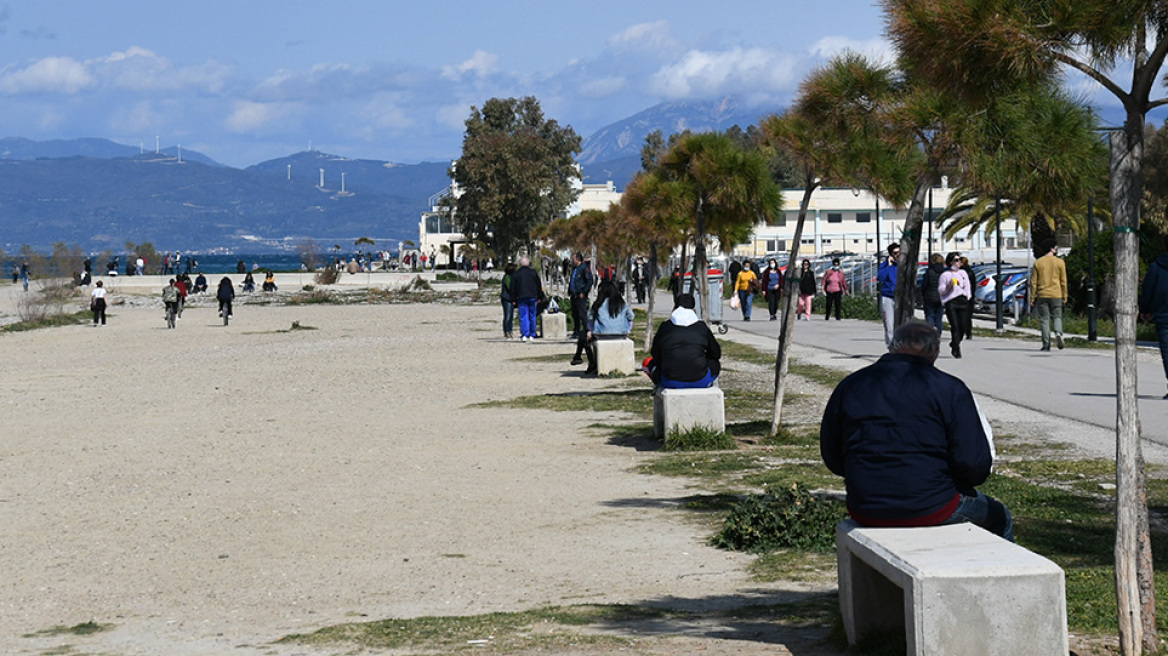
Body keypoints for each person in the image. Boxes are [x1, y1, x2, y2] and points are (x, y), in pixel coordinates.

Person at [820, 322, 1013, 541]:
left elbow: (832, 456)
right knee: (1000, 517)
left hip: (866, 505)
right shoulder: (949, 389)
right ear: (934, 353)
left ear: (892, 346)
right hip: (933, 505)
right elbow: (974, 465)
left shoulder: (852, 385)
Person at [645, 293, 722, 388]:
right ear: (694, 309)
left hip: (670, 381)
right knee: (715, 363)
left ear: (675, 308)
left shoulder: (665, 326)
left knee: (648, 363)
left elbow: (655, 353)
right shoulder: (701, 326)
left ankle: (659, 386)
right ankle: (710, 385)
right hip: (700, 380)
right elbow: (716, 353)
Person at [571, 280, 634, 375]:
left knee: (584, 335)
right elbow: (631, 317)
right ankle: (580, 358)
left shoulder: (598, 304)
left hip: (602, 334)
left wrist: (591, 330)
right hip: (621, 334)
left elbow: (589, 318)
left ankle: (591, 363)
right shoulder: (622, 303)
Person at [1141, 235, 1168, 399]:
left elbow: (1148, 290)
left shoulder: (1156, 267)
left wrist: (1145, 310)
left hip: (1163, 316)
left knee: (1167, 352)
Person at [1031, 240, 1068, 351]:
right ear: (1051, 248)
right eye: (1055, 247)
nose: (1056, 249)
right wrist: (1065, 296)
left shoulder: (1038, 263)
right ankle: (1058, 332)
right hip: (1057, 294)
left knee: (1044, 319)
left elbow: (1033, 282)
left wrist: (1032, 298)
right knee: (1057, 316)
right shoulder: (1060, 262)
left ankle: (1046, 344)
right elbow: (1063, 281)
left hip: (1042, 294)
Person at [939, 252, 973, 359]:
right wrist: (949, 287)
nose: (959, 262)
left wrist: (967, 296)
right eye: (957, 260)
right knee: (955, 325)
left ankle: (955, 342)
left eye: (960, 260)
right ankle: (956, 347)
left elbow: (968, 285)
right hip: (951, 302)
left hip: (962, 301)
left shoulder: (963, 273)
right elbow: (941, 290)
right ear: (951, 262)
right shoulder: (945, 275)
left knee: (963, 325)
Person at [511, 256, 543, 342]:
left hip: (522, 297)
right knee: (532, 315)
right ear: (528, 263)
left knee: (523, 316)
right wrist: (540, 296)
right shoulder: (533, 273)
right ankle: (532, 334)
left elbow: (513, 287)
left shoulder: (517, 274)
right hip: (533, 296)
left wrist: (513, 299)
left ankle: (525, 334)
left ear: (520, 264)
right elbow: (538, 285)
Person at [877, 243, 900, 346]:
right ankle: (891, 346)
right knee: (889, 324)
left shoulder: (903, 265)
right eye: (895, 253)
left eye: (900, 252)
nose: (898, 255)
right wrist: (889, 265)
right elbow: (881, 278)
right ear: (891, 254)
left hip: (901, 297)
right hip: (888, 296)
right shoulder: (886, 265)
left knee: (902, 324)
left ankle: (901, 346)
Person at [568, 252, 593, 339]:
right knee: (575, 314)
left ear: (578, 259)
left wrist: (584, 292)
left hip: (580, 295)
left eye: (573, 258)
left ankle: (587, 330)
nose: (572, 260)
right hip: (574, 294)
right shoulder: (575, 269)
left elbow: (590, 281)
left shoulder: (584, 268)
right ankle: (576, 331)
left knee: (582, 314)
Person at [921, 253, 946, 334]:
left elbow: (924, 285)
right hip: (941, 297)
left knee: (929, 315)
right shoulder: (944, 272)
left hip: (929, 296)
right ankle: (938, 332)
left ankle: (931, 328)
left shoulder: (929, 271)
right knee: (939, 316)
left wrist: (923, 294)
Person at [500, 262, 517, 339]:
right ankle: (507, 331)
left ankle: (510, 330)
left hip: (510, 298)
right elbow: (510, 288)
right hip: (507, 299)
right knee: (508, 315)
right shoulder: (507, 277)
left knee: (511, 316)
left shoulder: (511, 277)